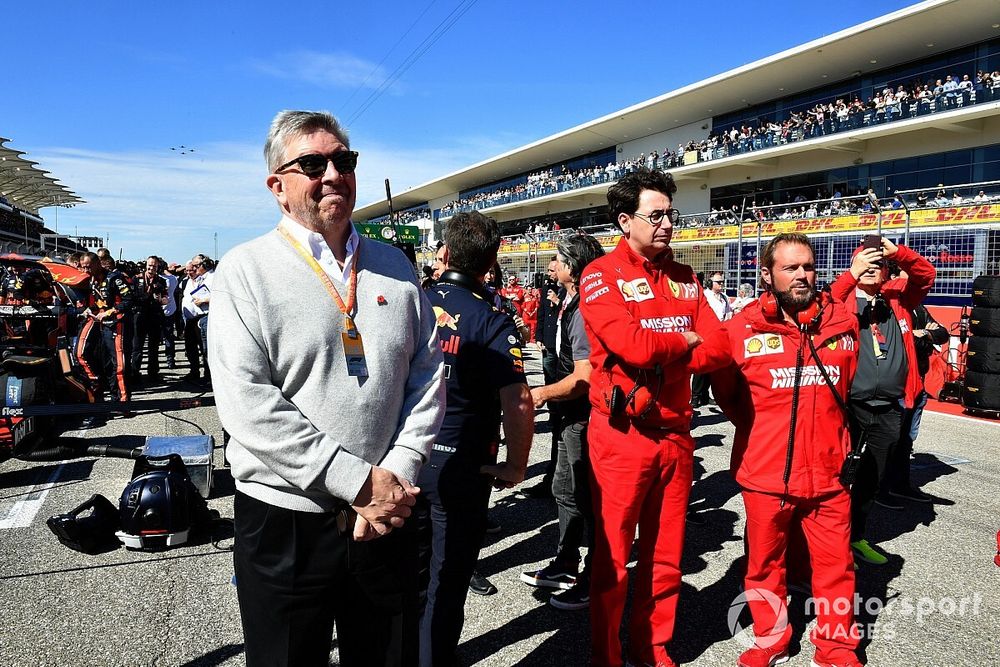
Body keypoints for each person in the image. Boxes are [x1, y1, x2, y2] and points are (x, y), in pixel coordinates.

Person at [209, 109, 446, 667]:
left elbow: (428, 375)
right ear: (278, 186)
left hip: (387, 512)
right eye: (313, 163)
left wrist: (399, 473)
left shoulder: (394, 266)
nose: (333, 173)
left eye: (343, 160)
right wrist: (356, 482)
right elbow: (247, 404)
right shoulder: (244, 270)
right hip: (288, 519)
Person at [579, 168, 729, 667]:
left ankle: (654, 650)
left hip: (677, 435)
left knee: (665, 558)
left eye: (672, 215)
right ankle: (608, 655)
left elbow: (719, 349)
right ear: (626, 221)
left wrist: (671, 349)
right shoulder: (600, 273)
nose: (667, 224)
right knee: (613, 562)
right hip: (622, 436)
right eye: (656, 215)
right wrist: (683, 341)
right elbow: (630, 345)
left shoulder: (687, 277)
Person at [707, 233, 863, 667]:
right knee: (763, 565)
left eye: (808, 267)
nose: (801, 276)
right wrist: (759, 431)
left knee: (836, 568)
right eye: (790, 268)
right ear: (767, 274)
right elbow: (726, 390)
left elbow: (851, 389)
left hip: (830, 475)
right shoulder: (742, 327)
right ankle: (770, 638)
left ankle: (836, 647)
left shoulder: (841, 321)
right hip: (765, 473)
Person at [416, 210, 533, 667]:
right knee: (446, 582)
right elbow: (518, 401)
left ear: (444, 252)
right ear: (492, 260)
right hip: (460, 464)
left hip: (400, 460)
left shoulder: (411, 302)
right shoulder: (494, 320)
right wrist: (517, 464)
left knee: (405, 576)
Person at [831, 236, 935, 565]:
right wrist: (851, 275)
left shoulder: (896, 296)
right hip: (849, 406)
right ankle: (828, 541)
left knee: (871, 478)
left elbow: (926, 275)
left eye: (878, 264)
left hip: (890, 406)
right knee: (837, 476)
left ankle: (856, 537)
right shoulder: (842, 299)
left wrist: (899, 254)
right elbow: (822, 307)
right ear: (854, 266)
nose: (873, 269)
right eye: (866, 263)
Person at [521, 234, 605, 611]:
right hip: (568, 415)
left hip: (584, 416)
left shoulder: (586, 309)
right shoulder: (570, 303)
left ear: (572, 266)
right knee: (564, 489)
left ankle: (595, 576)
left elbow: (583, 378)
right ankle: (566, 561)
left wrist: (539, 394)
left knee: (587, 498)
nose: (552, 266)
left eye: (557, 260)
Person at [878, 265, 948, 506]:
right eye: (911, 276)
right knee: (891, 439)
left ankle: (900, 485)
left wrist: (925, 334)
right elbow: (892, 339)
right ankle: (879, 489)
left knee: (907, 439)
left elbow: (942, 333)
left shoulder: (918, 307)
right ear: (896, 277)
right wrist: (914, 333)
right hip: (897, 384)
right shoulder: (887, 305)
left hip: (918, 381)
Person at [75, 251, 136, 427]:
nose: (85, 269)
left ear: (97, 264)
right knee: (106, 364)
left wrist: (109, 312)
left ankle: (124, 404)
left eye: (88, 266)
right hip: (102, 326)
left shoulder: (114, 278)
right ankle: (111, 397)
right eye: (83, 266)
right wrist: (88, 309)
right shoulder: (91, 281)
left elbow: (129, 299)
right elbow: (93, 303)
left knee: (119, 365)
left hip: (118, 324)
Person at [524, 257, 564, 499]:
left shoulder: (568, 295)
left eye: (553, 269)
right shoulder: (546, 290)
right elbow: (542, 316)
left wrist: (558, 302)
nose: (550, 273)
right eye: (548, 270)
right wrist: (537, 336)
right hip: (548, 347)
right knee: (552, 395)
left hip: (562, 354)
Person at [692, 270, 732, 407]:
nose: (721, 284)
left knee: (713, 366)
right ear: (710, 283)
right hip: (705, 333)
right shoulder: (704, 296)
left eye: (722, 282)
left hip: (718, 333)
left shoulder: (724, 297)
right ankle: (695, 396)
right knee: (702, 367)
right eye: (718, 282)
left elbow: (728, 315)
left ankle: (705, 395)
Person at [130, 255, 168, 381]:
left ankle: (153, 373)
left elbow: (166, 298)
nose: (152, 268)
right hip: (139, 316)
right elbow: (131, 296)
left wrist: (162, 300)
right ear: (146, 265)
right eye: (150, 265)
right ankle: (134, 373)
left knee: (154, 347)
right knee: (137, 347)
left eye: (155, 266)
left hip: (155, 316)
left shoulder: (161, 281)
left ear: (158, 267)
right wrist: (146, 298)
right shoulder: (136, 279)